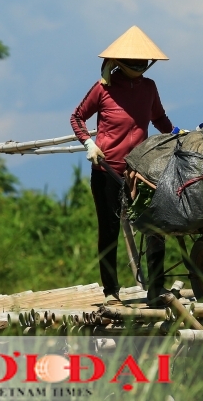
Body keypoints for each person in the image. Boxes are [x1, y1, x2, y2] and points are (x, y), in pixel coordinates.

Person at [71, 25, 178, 306]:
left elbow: (160, 120)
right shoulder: (103, 88)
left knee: (155, 227)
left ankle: (155, 288)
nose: (139, 67)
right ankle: (111, 291)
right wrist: (88, 143)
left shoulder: (149, 87)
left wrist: (178, 135)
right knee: (109, 231)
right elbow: (77, 117)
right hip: (107, 169)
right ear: (119, 62)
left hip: (140, 170)